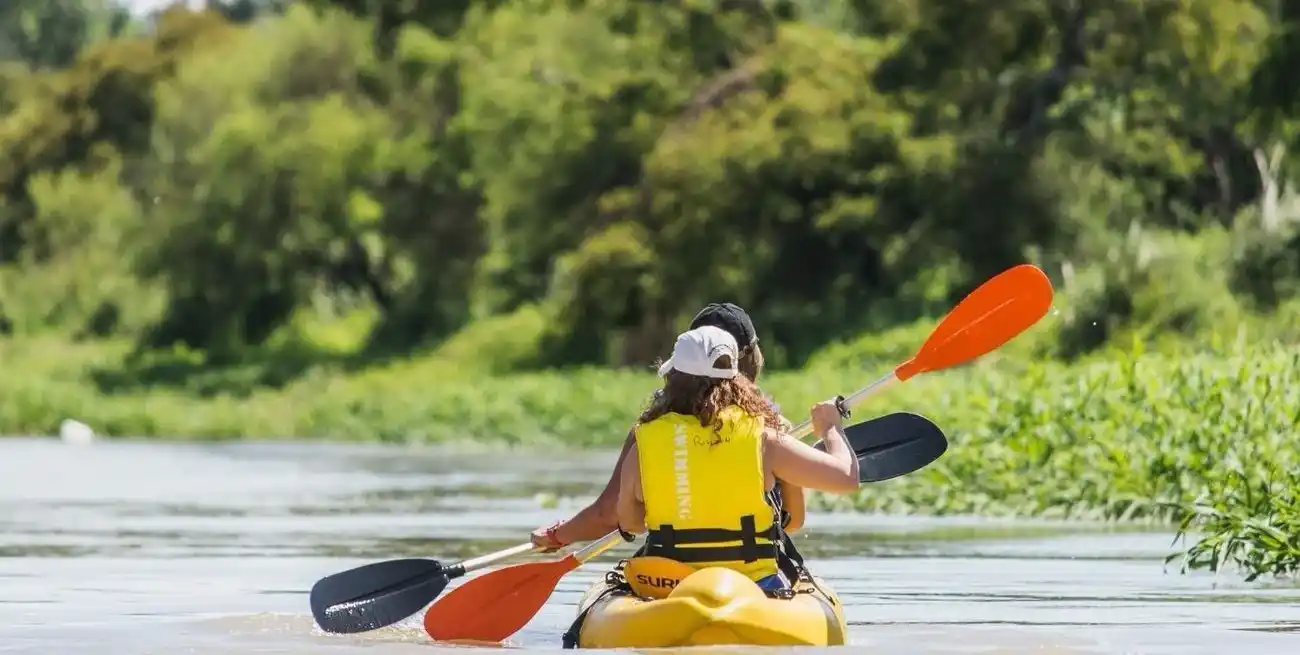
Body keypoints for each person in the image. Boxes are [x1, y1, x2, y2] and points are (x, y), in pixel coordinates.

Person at [530, 302, 804, 551]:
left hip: (671, 569)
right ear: (752, 360)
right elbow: (792, 520)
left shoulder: (651, 431)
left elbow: (609, 514)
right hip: (751, 571)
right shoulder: (770, 428)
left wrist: (559, 534)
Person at [613, 325, 859, 591]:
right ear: (736, 379)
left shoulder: (644, 443)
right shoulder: (764, 439)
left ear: (673, 379)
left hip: (671, 587)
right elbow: (846, 478)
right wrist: (831, 427)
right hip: (752, 586)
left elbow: (631, 523)